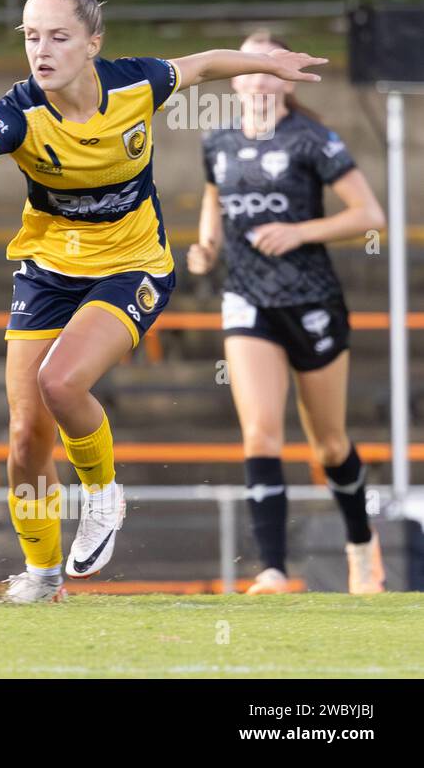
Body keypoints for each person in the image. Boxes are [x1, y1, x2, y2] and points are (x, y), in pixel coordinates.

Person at [0, 0, 327, 603]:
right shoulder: (19, 111)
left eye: (59, 36)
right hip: (48, 273)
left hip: (133, 265)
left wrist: (268, 62)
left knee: (60, 382)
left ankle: (103, 494)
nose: (42, 50)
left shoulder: (134, 83)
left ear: (93, 44)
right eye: (32, 36)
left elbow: (203, 66)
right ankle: (44, 576)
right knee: (25, 437)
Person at [188, 30, 387, 595]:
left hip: (312, 302)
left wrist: (299, 231)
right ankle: (273, 569)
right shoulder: (217, 141)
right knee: (260, 435)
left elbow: (368, 214)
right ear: (236, 76)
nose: (254, 76)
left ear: (284, 77)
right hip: (248, 299)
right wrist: (206, 248)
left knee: (329, 444)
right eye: (246, 66)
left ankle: (361, 545)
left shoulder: (312, 139)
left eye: (266, 65)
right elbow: (213, 200)